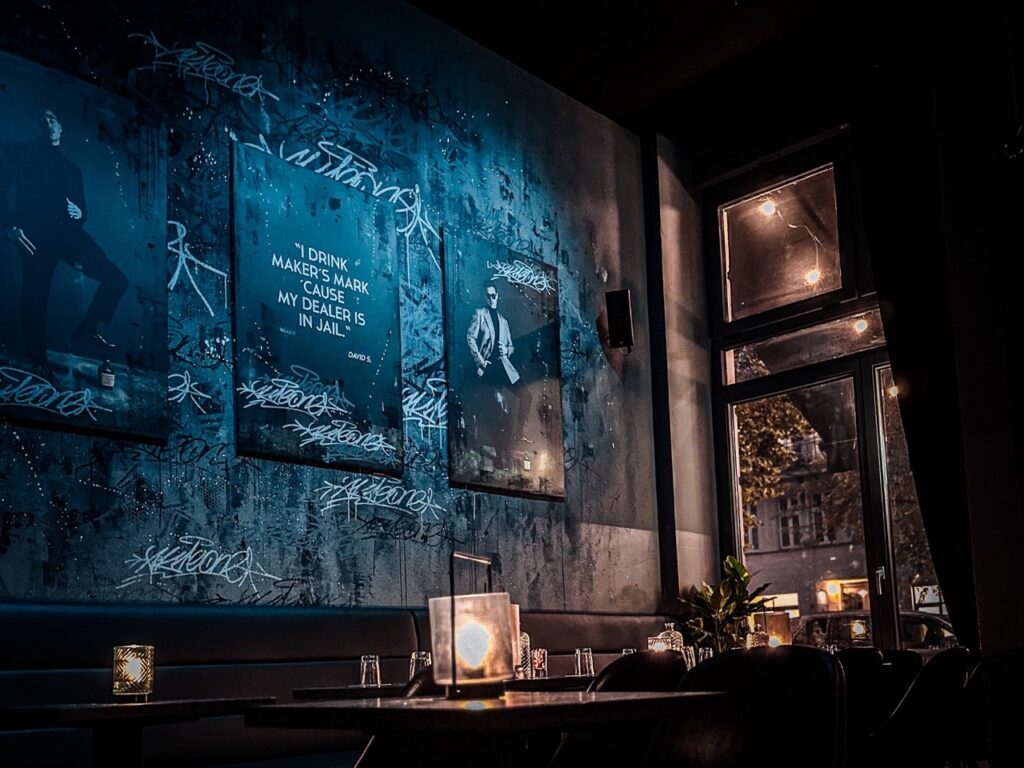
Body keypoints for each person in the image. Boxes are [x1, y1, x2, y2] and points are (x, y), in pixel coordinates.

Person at [1, 108, 128, 375]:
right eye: (42, 118)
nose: (47, 122)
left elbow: (81, 210)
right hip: (34, 236)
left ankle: (87, 327)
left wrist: (80, 213)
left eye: (52, 118)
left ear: (60, 127)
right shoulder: (21, 155)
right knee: (35, 300)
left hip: (68, 237)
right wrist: (10, 226)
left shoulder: (72, 169)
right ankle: (38, 360)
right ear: (39, 127)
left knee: (116, 279)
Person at [465, 283, 532, 468]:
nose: (491, 298)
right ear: (485, 297)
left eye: (494, 295)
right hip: (489, 368)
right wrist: (481, 361)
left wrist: (506, 350)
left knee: (526, 396)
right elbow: (470, 337)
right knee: (496, 411)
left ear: (498, 296)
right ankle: (500, 456)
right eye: (488, 296)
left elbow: (511, 346)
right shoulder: (480, 314)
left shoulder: (503, 321)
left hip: (504, 366)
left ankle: (520, 433)